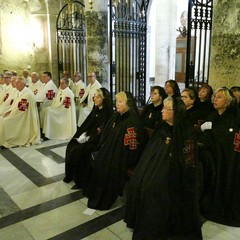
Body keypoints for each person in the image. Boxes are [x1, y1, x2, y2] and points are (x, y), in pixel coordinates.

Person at [124, 96, 202, 240]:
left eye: (167, 109)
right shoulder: (162, 127)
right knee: (136, 184)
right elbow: (151, 150)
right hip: (154, 168)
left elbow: (187, 164)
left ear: (176, 112)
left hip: (173, 176)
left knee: (151, 190)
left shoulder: (186, 132)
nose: (162, 111)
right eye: (163, 108)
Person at [86, 91, 146, 210]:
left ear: (127, 104)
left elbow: (132, 148)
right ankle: (96, 194)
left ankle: (103, 197)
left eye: (120, 101)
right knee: (97, 161)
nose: (117, 104)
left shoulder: (131, 122)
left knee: (105, 166)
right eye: (116, 101)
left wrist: (115, 155)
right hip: (113, 152)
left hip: (124, 157)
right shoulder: (117, 117)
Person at [200, 87, 240, 227]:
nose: (215, 99)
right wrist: (202, 129)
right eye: (214, 97)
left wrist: (212, 131)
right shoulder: (212, 116)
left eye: (219, 97)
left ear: (228, 101)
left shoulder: (232, 119)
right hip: (211, 157)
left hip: (225, 159)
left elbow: (227, 140)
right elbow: (205, 138)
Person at [63, 88, 113, 188]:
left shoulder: (107, 113)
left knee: (79, 151)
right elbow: (87, 125)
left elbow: (102, 133)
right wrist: (82, 134)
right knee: (71, 145)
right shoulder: (95, 109)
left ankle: (81, 181)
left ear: (103, 99)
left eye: (97, 97)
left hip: (97, 141)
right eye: (94, 96)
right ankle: (71, 174)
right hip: (89, 137)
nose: (94, 98)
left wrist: (88, 138)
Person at [0, 76, 40, 148]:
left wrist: (10, 115)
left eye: (17, 82)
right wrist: (8, 112)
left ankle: (10, 140)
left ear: (22, 84)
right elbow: (15, 106)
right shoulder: (20, 92)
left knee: (4, 121)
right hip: (18, 114)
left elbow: (21, 110)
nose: (15, 84)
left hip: (24, 117)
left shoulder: (27, 94)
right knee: (2, 118)